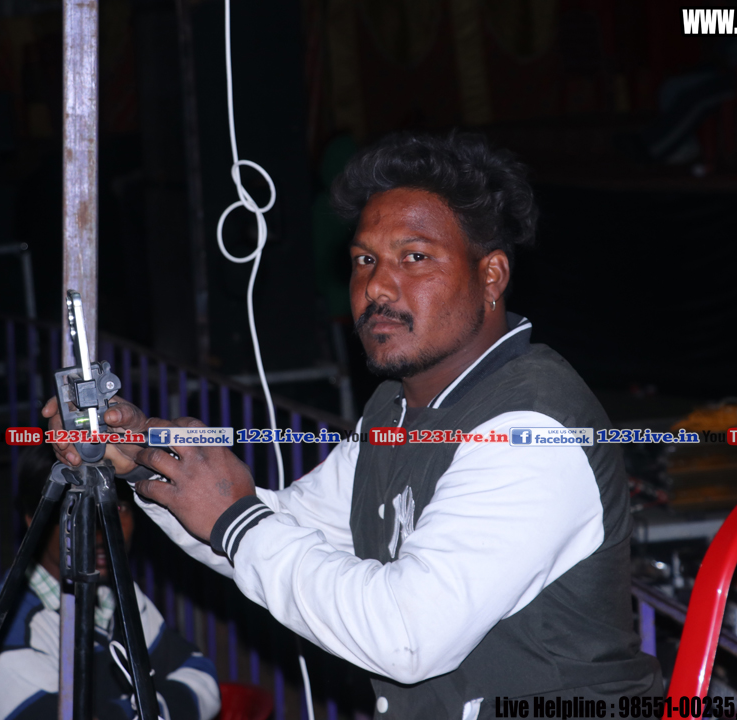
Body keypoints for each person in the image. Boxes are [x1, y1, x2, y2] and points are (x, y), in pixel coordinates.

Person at [45, 132, 662, 718]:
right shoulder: (395, 409)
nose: (378, 286)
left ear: (491, 276)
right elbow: (286, 530)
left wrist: (234, 518)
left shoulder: (531, 430)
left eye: (415, 257)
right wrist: (146, 461)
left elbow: (406, 635)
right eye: (365, 259)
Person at [0, 444, 220, 720]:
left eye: (116, 507)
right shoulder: (2, 626)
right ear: (35, 519)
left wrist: (141, 713)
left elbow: (202, 676)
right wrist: (149, 709)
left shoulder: (116, 597)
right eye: (76, 510)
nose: (101, 528)